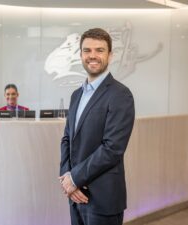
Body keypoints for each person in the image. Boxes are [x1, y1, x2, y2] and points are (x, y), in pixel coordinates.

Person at [59, 28, 135, 225]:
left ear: (110, 55)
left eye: (99, 50)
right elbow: (67, 138)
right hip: (76, 197)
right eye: (87, 50)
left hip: (103, 200)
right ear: (81, 54)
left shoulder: (120, 95)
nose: (92, 55)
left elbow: (112, 148)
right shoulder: (77, 94)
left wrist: (74, 178)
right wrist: (67, 180)